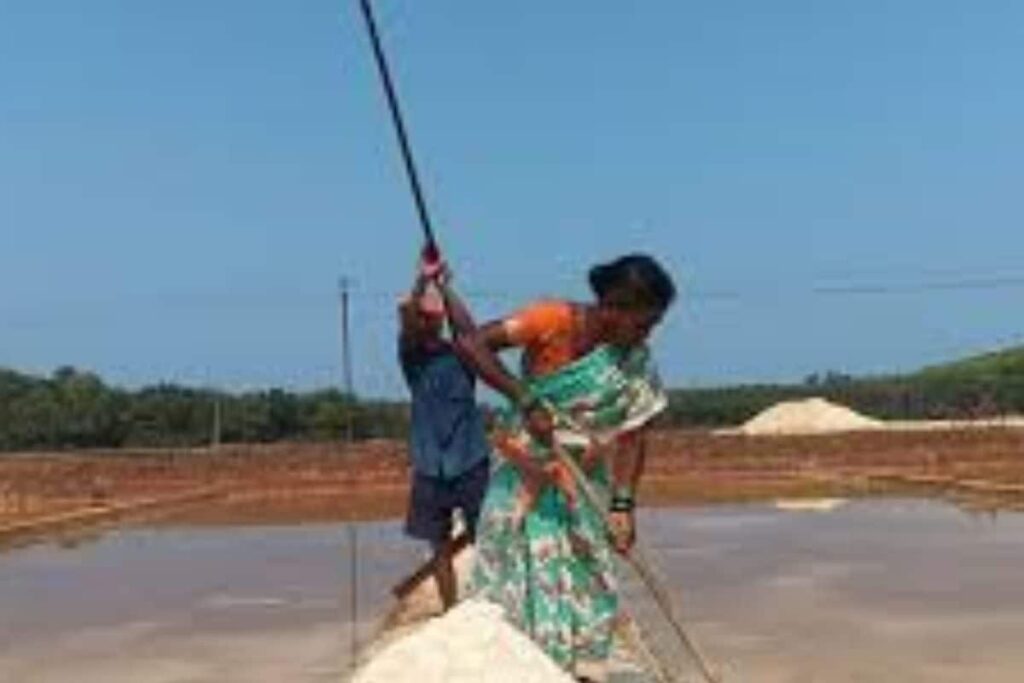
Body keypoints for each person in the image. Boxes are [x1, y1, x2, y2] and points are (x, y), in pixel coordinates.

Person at [456, 254, 676, 682]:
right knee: (517, 583)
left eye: (653, 326)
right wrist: (523, 398)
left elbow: (633, 433)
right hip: (526, 481)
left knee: (590, 586)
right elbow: (470, 344)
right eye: (642, 324)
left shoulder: (635, 362)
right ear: (612, 307)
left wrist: (623, 506)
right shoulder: (551, 319)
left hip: (582, 486)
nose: (646, 336)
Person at [398, 247, 491, 611]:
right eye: (423, 319)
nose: (426, 324)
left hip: (470, 459)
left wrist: (445, 286)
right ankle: (451, 609)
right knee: (438, 544)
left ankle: (487, 602)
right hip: (429, 465)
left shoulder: (463, 354)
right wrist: (424, 278)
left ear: (440, 322)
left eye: (432, 319)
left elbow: (469, 329)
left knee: (484, 536)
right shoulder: (412, 358)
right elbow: (407, 318)